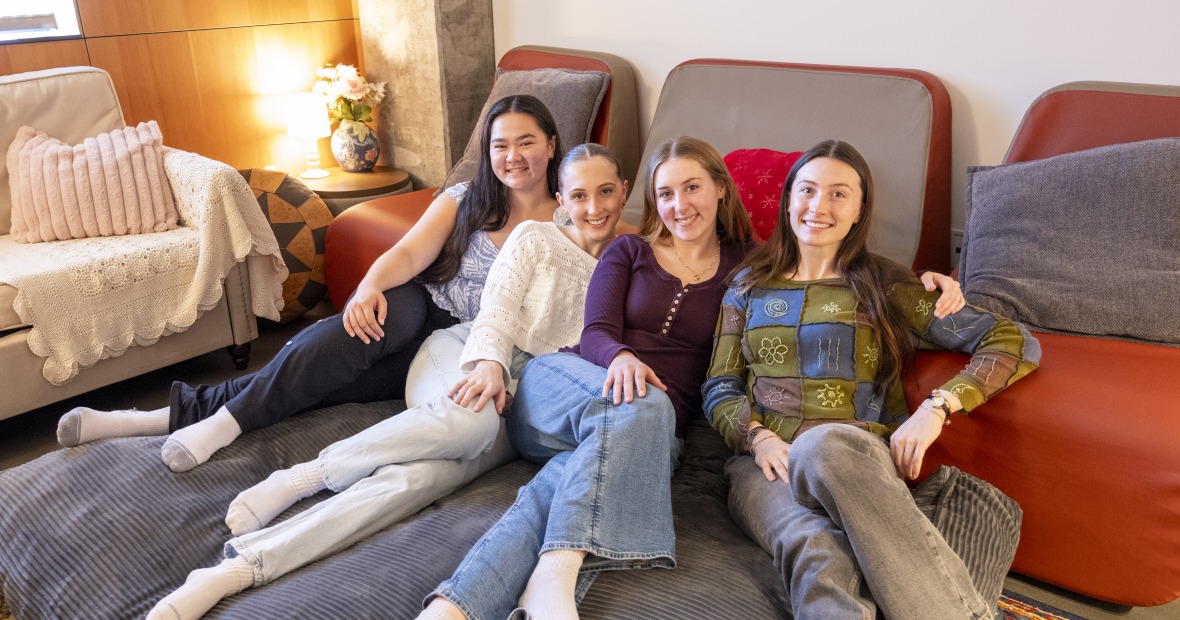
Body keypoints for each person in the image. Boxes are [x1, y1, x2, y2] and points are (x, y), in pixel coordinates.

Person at [417, 136, 967, 620]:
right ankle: (556, 578)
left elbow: (822, 270)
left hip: (653, 426)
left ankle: (454, 607)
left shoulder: (752, 269)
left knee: (572, 475)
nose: (680, 205)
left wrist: (925, 281)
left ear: (721, 189)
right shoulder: (630, 250)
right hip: (567, 385)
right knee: (641, 407)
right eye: (665, 194)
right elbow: (595, 332)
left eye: (693, 187)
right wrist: (622, 360)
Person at [144, 143, 632, 620]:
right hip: (468, 354)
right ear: (561, 199)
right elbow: (497, 312)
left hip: (524, 400)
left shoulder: (631, 262)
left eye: (606, 192)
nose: (594, 207)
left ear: (624, 192)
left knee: (413, 482)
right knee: (470, 428)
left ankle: (239, 568)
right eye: (580, 195)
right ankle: (305, 476)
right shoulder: (536, 237)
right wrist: (492, 365)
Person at [55, 94, 566, 473]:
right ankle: (220, 426)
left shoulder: (570, 219)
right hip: (423, 302)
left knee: (323, 382)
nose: (513, 156)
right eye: (501, 145)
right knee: (352, 334)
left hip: (467, 345)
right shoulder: (465, 197)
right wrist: (368, 287)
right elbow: (411, 253)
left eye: (526, 142)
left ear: (551, 145)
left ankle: (145, 420)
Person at [702, 139, 1041, 619]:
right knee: (817, 549)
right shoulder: (748, 285)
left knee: (824, 444)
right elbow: (719, 387)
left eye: (839, 194)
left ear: (860, 210)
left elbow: (1011, 340)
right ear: (788, 199)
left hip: (854, 456)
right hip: (764, 468)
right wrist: (755, 439)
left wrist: (936, 409)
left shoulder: (887, 285)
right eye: (808, 190)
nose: (819, 205)